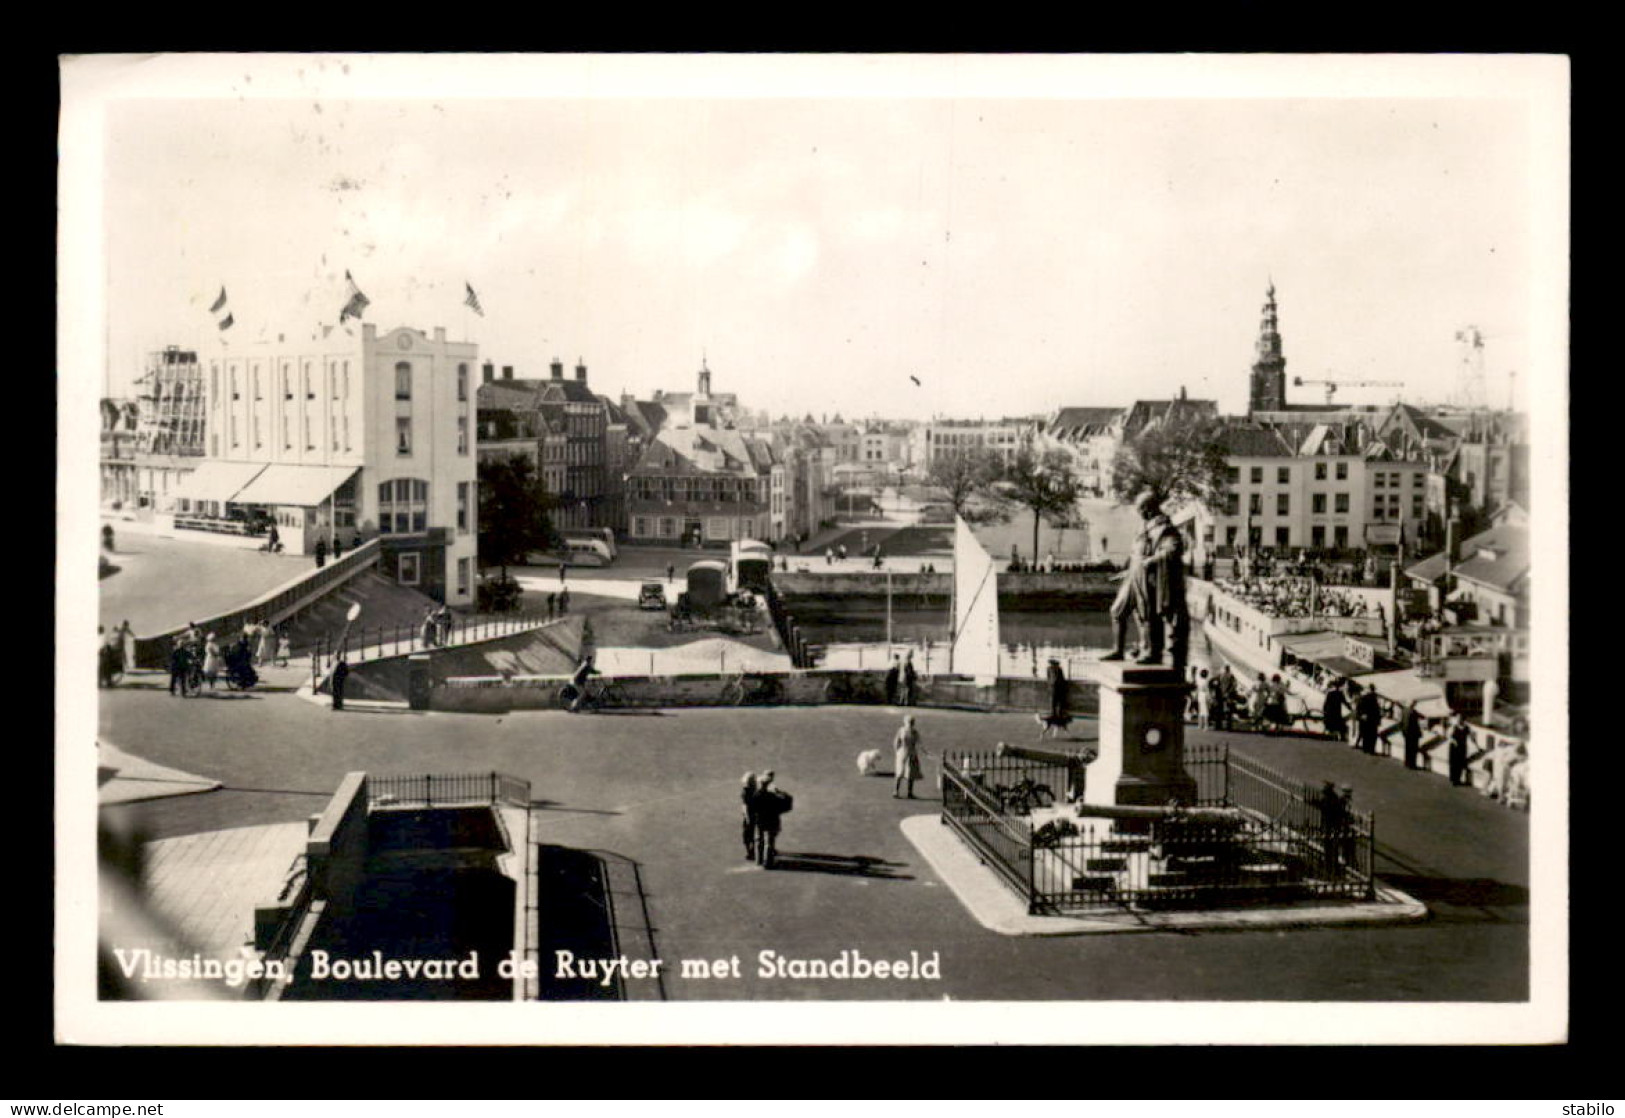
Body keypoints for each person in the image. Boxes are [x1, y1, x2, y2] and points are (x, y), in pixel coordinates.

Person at [752, 770, 790, 868]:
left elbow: (752, 809)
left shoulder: (755, 795)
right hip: (771, 821)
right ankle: (768, 863)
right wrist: (781, 793)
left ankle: (758, 860)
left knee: (758, 840)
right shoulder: (771, 796)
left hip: (759, 820)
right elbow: (784, 804)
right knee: (769, 842)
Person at [893, 715, 923, 799]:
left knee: (909, 773)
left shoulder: (911, 732)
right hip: (905, 752)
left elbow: (919, 742)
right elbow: (896, 742)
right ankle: (897, 791)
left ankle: (907, 792)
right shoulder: (904, 731)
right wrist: (897, 751)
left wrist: (897, 751)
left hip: (908, 753)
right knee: (901, 772)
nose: (910, 724)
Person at [1355, 684, 1382, 755]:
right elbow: (1377, 711)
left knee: (1366, 735)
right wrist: (1378, 720)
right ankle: (1371, 749)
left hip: (1366, 720)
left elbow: (1359, 708)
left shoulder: (1364, 698)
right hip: (1372, 720)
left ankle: (1366, 748)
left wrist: (1361, 716)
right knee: (1372, 735)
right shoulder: (1375, 699)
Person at [1448, 713, 1474, 787]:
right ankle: (1453, 779)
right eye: (1458, 718)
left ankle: (1458, 779)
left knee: (1460, 763)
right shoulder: (1454, 727)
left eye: (1461, 719)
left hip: (1462, 747)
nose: (1459, 720)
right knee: (1453, 763)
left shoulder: (1466, 727)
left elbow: (1471, 737)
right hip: (1454, 747)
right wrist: (1454, 741)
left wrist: (1476, 745)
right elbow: (1449, 736)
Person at [740, 772, 760, 862]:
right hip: (751, 815)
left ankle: (751, 851)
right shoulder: (747, 792)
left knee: (750, 834)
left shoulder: (751, 791)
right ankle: (750, 851)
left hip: (752, 815)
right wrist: (748, 817)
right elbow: (746, 806)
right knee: (750, 834)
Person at [1402, 702, 1424, 770]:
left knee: (1407, 748)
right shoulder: (1413, 712)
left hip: (1406, 733)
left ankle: (1407, 762)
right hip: (1413, 734)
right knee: (1413, 749)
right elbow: (1422, 717)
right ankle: (1412, 764)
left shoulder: (1405, 711)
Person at [1046, 658, 1068, 724]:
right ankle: (1054, 714)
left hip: (1057, 688)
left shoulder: (1057, 669)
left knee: (1058, 702)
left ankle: (1058, 714)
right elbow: (1048, 678)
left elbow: (1061, 678)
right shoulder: (1050, 669)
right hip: (1054, 687)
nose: (1053, 665)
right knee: (1054, 702)